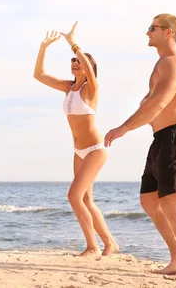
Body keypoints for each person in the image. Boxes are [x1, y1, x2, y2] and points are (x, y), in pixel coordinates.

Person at [104, 14, 176, 282]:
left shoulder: (173, 62)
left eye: (152, 28)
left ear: (168, 32)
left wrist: (124, 127)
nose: (147, 32)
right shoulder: (162, 63)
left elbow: (158, 102)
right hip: (161, 139)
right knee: (149, 200)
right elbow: (148, 104)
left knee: (173, 205)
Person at [33, 21, 119, 258]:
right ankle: (110, 243)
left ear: (89, 67)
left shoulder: (91, 89)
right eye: (72, 61)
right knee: (86, 200)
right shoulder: (68, 88)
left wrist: (73, 45)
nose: (74, 63)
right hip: (78, 151)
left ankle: (92, 247)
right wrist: (43, 48)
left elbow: (90, 72)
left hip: (94, 149)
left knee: (73, 196)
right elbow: (38, 74)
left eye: (79, 61)